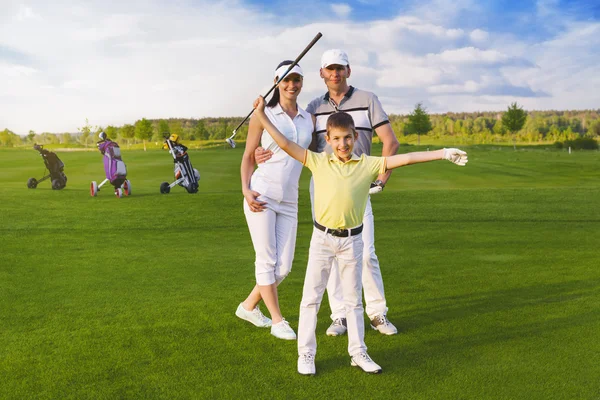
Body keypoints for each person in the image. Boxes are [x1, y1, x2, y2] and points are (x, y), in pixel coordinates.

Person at [252, 96, 467, 375]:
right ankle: (306, 354)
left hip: (352, 241)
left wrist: (443, 152)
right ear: (327, 138)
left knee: (353, 301)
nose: (343, 144)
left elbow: (405, 158)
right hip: (322, 241)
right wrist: (261, 114)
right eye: (337, 139)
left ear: (355, 137)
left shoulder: (366, 164)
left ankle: (359, 352)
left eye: (348, 138)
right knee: (311, 299)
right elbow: (283, 142)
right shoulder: (317, 161)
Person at [256, 49, 402, 337]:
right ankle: (340, 316)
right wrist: (264, 151)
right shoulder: (312, 109)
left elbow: (391, 143)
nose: (335, 73)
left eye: (340, 68)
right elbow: (294, 143)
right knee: (332, 250)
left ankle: (376, 313)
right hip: (323, 187)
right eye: (329, 69)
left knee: (365, 252)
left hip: (359, 183)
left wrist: (381, 179)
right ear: (322, 74)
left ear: (349, 71)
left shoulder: (367, 99)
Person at [235, 61, 314, 340]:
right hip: (262, 194)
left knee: (284, 267)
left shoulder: (308, 119)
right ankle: (278, 320)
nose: (292, 85)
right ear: (276, 82)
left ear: (302, 83)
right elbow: (248, 156)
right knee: (266, 260)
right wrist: (245, 189)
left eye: (297, 80)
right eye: (287, 80)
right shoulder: (263, 114)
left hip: (290, 199)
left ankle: (248, 306)